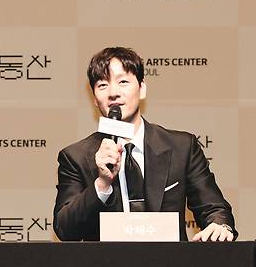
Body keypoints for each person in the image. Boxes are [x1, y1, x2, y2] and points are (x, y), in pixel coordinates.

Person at [54, 47, 236, 241]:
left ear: (142, 88)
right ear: (95, 99)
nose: (113, 93)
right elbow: (65, 230)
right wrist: (102, 184)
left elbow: (214, 208)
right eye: (102, 85)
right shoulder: (75, 157)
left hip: (170, 266)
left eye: (123, 82)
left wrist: (219, 226)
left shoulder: (182, 147)